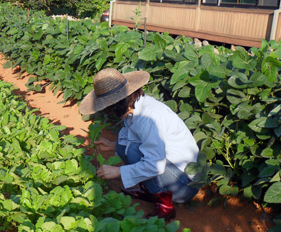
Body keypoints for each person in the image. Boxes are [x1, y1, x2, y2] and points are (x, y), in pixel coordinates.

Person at [79, 68, 199, 220]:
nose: (108, 112)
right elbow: (135, 142)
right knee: (124, 146)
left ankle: (165, 206)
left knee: (134, 149)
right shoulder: (134, 108)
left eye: (109, 107)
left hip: (183, 184)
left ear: (118, 103)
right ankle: (150, 190)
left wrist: (119, 171)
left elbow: (155, 164)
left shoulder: (151, 116)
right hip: (171, 169)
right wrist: (113, 146)